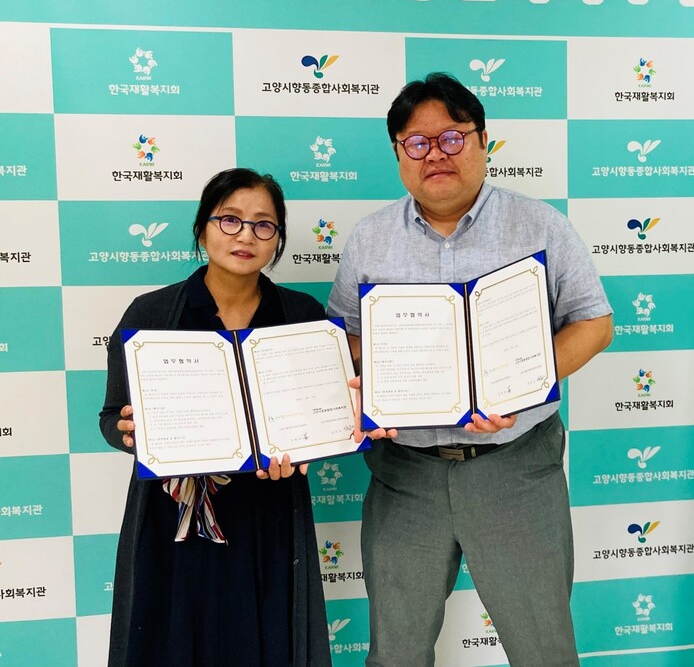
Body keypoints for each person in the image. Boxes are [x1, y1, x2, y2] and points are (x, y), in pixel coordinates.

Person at [328, 73, 614, 667]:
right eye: (417, 142)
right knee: (396, 653)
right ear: (398, 154)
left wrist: (519, 386)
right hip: (405, 473)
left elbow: (594, 324)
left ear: (484, 141)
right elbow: (345, 339)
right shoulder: (369, 239)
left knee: (544, 652)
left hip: (515, 466)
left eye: (452, 138)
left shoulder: (541, 225)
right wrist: (368, 382)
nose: (435, 154)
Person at [100, 168, 339, 667]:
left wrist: (315, 444)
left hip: (269, 511)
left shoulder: (302, 315)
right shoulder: (151, 313)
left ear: (278, 238)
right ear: (202, 228)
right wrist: (128, 433)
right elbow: (110, 417)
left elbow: (324, 417)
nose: (246, 235)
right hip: (173, 519)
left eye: (263, 224)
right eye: (229, 220)